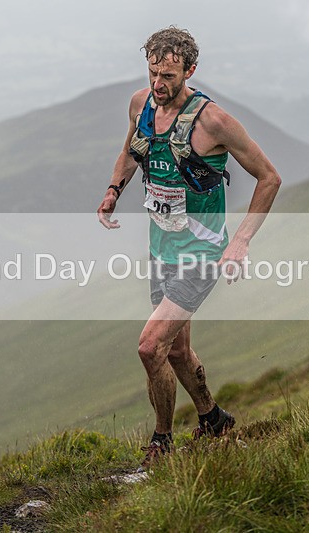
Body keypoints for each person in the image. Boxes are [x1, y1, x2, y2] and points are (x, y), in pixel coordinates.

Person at [96, 27, 281, 469]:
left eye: (169, 76)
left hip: (202, 253)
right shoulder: (140, 104)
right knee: (176, 350)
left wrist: (240, 242)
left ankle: (162, 440)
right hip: (162, 248)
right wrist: (112, 190)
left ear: (191, 71)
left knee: (149, 347)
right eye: (153, 72)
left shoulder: (213, 121)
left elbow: (269, 177)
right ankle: (214, 420)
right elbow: (130, 152)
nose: (159, 84)